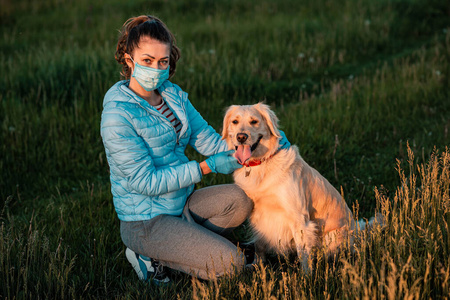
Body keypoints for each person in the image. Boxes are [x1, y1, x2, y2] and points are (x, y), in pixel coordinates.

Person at [100, 14, 290, 284]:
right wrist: (206, 167)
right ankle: (147, 255)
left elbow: (210, 141)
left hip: (182, 204)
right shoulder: (117, 116)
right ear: (129, 60)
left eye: (163, 62)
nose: (156, 68)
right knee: (231, 264)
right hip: (146, 221)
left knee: (242, 198)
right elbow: (145, 182)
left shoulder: (172, 96)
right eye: (147, 61)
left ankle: (185, 245)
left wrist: (263, 142)